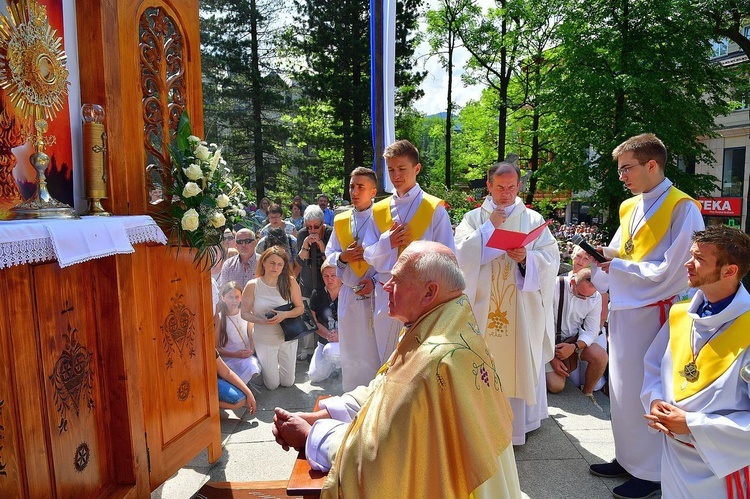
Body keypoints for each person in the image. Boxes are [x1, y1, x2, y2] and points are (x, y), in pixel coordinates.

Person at [271, 241, 522, 498]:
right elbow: (386, 388)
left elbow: (382, 462)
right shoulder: (448, 322)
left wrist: (313, 436)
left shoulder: (433, 361)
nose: (385, 286)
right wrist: (325, 414)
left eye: (397, 280)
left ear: (429, 292)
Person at [587, 133, 704, 499]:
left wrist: (618, 265)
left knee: (649, 389)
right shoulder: (629, 206)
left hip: (656, 310)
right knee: (621, 387)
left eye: (627, 168)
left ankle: (652, 472)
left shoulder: (683, 208)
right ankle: (628, 457)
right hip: (626, 308)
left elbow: (676, 270)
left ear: (651, 165)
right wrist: (601, 258)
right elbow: (625, 251)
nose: (622, 176)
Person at [454, 161, 559, 445]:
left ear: (519, 186)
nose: (506, 194)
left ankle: (516, 428)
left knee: (517, 360)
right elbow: (461, 255)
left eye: (512, 187)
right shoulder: (474, 218)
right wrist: (490, 229)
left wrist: (527, 259)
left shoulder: (533, 220)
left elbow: (551, 259)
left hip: (520, 310)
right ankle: (480, 426)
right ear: (488, 186)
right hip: (482, 309)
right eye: (500, 187)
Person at [641, 225, 750, 498]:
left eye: (700, 259)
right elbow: (654, 367)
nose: (688, 264)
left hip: (723, 467)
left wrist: (693, 424)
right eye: (691, 255)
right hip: (673, 456)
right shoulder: (680, 314)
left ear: (729, 271)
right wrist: (655, 400)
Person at [363, 139, 455, 365]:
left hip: (423, 296)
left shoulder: (434, 209)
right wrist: (388, 242)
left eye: (402, 169)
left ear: (417, 169)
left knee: (420, 359)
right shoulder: (378, 210)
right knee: (387, 356)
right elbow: (368, 253)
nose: (396, 175)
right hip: (387, 293)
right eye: (391, 170)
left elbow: (448, 256)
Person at [325, 167, 381, 391]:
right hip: (349, 292)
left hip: (377, 293)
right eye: (352, 186)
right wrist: (343, 256)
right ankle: (352, 396)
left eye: (361, 187)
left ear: (373, 191)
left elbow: (392, 256)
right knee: (351, 349)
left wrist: (375, 282)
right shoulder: (340, 220)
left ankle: (376, 398)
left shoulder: (382, 217)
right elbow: (330, 254)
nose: (354, 191)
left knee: (374, 350)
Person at [241, 246, 305, 390]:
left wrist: (285, 315)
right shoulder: (253, 285)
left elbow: (300, 308)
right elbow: (244, 313)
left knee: (288, 383)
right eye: (272, 263)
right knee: (272, 385)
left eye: (279, 264)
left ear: (283, 267)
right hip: (264, 338)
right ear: (263, 262)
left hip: (287, 336)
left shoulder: (290, 282)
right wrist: (261, 321)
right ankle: (266, 370)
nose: (275, 267)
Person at [545, 268, 608, 404]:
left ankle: (588, 394)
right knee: (556, 386)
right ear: (572, 281)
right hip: (546, 342)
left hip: (571, 341)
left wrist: (574, 347)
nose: (585, 299)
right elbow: (539, 325)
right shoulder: (553, 285)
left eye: (588, 296)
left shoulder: (595, 297)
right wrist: (551, 357)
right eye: (580, 294)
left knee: (600, 356)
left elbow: (592, 330)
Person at [216, 281, 262, 383]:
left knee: (252, 367)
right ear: (223, 298)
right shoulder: (219, 318)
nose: (234, 301)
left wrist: (251, 350)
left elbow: (251, 336)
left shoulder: (245, 314)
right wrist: (235, 355)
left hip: (245, 357)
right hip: (228, 359)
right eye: (230, 297)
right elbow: (216, 348)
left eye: (237, 297)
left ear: (241, 297)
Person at [308, 261, 342, 383]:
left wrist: (341, 336)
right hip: (325, 340)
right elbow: (314, 322)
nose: (330, 279)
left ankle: (342, 369)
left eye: (334, 275)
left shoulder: (349, 293)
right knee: (314, 376)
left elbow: (359, 323)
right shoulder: (317, 294)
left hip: (347, 342)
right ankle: (334, 365)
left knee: (331, 351)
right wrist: (328, 335)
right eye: (326, 276)